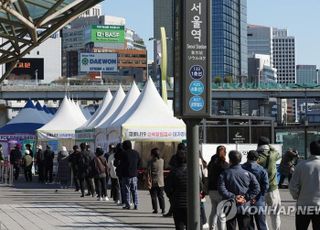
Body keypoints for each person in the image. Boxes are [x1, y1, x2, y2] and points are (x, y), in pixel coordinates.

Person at [218, 150, 260, 230]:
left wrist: (234, 197)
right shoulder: (248, 174)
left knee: (231, 227)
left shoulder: (224, 174)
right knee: (244, 227)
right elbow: (257, 188)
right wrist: (246, 198)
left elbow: (221, 189)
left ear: (229, 160)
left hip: (229, 205)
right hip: (245, 205)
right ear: (240, 160)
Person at [289, 140, 320, 230]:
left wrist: (298, 197)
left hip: (303, 205)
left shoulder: (301, 165)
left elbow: (292, 186)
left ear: (310, 150)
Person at [257, 136, 281, 230]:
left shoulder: (257, 157)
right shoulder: (273, 154)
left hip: (260, 190)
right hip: (273, 189)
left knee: (262, 214)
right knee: (275, 214)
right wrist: (269, 145)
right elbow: (278, 153)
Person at [242, 150, 269, 230]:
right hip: (259, 200)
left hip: (246, 200)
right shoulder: (262, 170)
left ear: (247, 158)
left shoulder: (242, 168)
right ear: (257, 159)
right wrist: (260, 197)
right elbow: (266, 186)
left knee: (249, 225)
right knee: (261, 224)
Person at [164, 145, 188, 229]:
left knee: (179, 226)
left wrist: (171, 196)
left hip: (177, 203)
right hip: (191, 204)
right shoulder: (193, 172)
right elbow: (201, 186)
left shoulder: (173, 172)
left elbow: (167, 187)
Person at [207, 145, 229, 230]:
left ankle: (212, 228)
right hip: (221, 191)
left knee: (214, 211)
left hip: (211, 190)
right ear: (225, 153)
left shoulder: (211, 163)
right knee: (221, 212)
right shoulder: (225, 165)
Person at [121, 140, 141, 210]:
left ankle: (128, 205)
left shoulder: (124, 154)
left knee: (127, 191)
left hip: (126, 175)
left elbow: (121, 165)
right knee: (134, 190)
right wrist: (136, 169)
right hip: (134, 174)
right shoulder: (136, 153)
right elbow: (139, 163)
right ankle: (136, 205)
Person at [147, 147, 165, 214]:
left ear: (153, 154)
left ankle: (155, 209)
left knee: (153, 196)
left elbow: (148, 171)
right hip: (161, 181)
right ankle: (163, 209)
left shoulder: (150, 162)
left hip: (153, 181)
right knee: (161, 196)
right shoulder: (162, 161)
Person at [199, 151, 209, 229]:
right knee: (201, 205)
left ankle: (203, 221)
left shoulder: (197, 162)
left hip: (200, 185)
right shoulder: (204, 163)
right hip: (203, 184)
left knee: (200, 205)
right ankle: (204, 221)